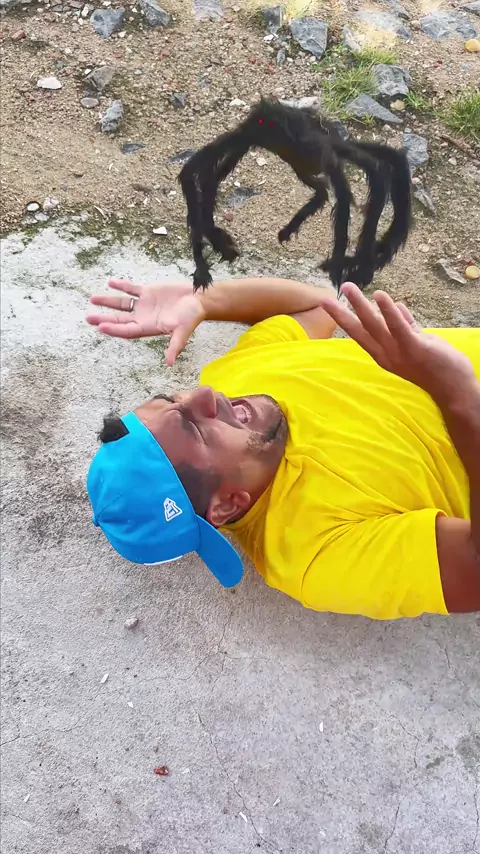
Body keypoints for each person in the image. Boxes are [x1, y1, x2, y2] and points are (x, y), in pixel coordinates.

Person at [86, 276, 480, 620]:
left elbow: (317, 307)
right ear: (226, 506)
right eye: (197, 429)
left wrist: (207, 300)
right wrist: (457, 395)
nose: (207, 394)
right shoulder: (314, 553)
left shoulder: (234, 376)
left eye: (173, 399)